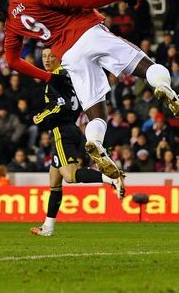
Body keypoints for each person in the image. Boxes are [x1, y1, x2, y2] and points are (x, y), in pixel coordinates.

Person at [0, 0, 179, 183]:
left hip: (69, 57)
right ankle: (164, 87)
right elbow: (80, 0)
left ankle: (96, 143)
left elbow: (11, 60)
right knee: (146, 66)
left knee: (97, 111)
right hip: (88, 34)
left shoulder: (11, 22)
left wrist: (48, 76)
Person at [30, 48, 125, 237]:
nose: (47, 60)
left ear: (58, 57)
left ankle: (111, 178)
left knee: (69, 176)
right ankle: (48, 227)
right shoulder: (69, 76)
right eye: (44, 56)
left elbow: (61, 105)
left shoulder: (55, 79)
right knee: (54, 181)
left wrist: (40, 117)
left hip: (61, 131)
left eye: (51, 56)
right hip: (71, 127)